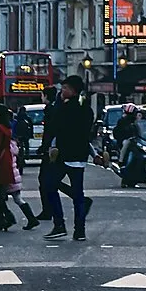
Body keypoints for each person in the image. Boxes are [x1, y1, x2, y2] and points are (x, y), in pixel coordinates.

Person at [39, 76, 95, 240]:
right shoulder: (85, 107)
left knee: (49, 184)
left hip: (64, 155)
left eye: (64, 88)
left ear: (72, 90)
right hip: (79, 156)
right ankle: (80, 230)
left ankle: (59, 224)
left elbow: (55, 126)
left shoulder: (65, 108)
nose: (62, 91)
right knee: (77, 194)